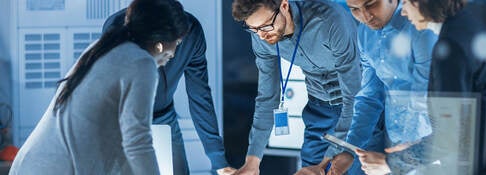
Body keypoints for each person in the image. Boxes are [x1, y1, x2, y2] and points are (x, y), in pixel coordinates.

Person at [9, 0, 188, 174]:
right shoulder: (141, 63)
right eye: (177, 43)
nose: (173, 53)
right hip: (57, 167)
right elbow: (137, 143)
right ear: (161, 41)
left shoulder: (106, 48)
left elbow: (120, 144)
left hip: (33, 163)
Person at [231, 0, 362, 174]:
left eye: (266, 26)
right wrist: (252, 161)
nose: (262, 36)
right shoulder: (261, 36)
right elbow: (267, 98)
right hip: (319, 109)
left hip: (357, 109)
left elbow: (354, 97)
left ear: (284, 6)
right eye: (253, 29)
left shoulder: (329, 19)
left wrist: (326, 161)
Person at [103, 5, 236, 175]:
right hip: (121, 118)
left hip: (164, 115)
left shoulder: (191, 32)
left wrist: (219, 162)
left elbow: (200, 97)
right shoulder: (117, 27)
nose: (173, 54)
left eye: (180, 42)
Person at [318, 0, 439, 174]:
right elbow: (369, 98)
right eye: (354, 9)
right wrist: (350, 149)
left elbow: (427, 98)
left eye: (371, 5)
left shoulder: (421, 28)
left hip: (428, 146)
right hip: (394, 142)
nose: (365, 17)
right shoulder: (365, 34)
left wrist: (401, 160)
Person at [400, 0, 486, 93]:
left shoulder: (451, 44)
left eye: (405, 2)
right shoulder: (466, 27)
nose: (403, 12)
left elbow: (451, 111)